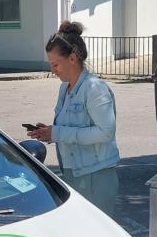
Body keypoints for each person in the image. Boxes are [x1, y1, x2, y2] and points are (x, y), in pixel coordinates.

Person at [28, 21, 120, 217]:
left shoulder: (94, 88)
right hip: (74, 173)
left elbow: (106, 132)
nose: (53, 70)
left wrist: (59, 132)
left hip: (96, 177)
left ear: (72, 58)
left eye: (55, 64)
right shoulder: (65, 88)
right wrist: (50, 132)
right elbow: (70, 129)